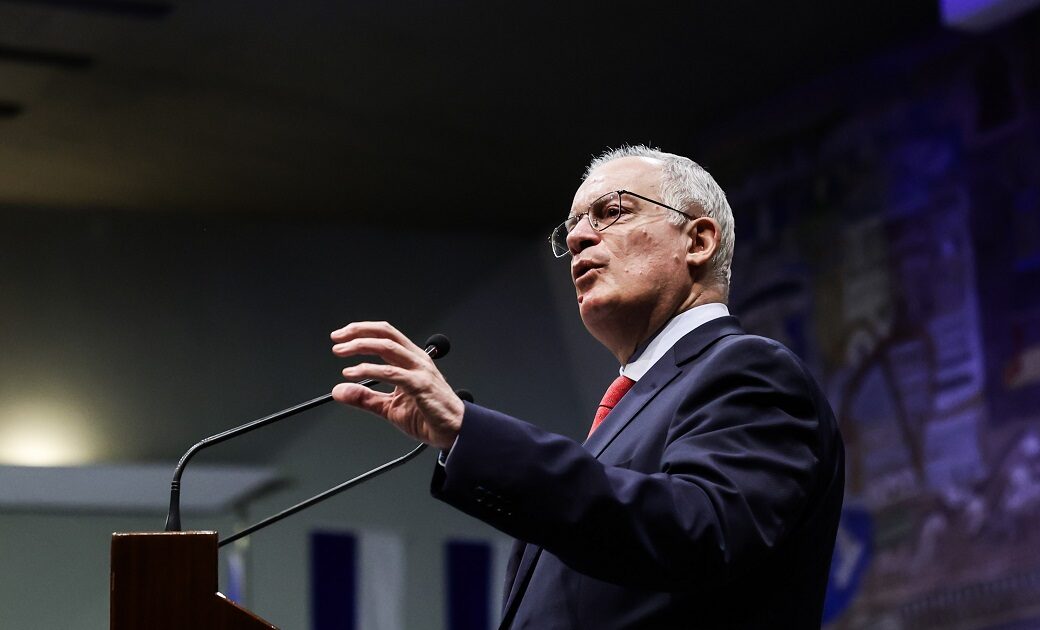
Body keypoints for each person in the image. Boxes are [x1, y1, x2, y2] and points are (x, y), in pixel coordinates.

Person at [330, 145, 844, 629]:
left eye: (611, 212)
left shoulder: (749, 370)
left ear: (698, 241)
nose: (577, 238)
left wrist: (470, 433)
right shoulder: (634, 405)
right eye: (572, 226)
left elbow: (697, 532)